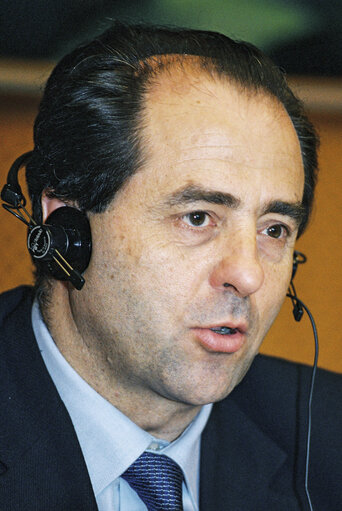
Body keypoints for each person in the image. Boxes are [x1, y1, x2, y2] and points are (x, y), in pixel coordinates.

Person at [0, 22, 341, 511]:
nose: (248, 276)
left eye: (273, 230)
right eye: (198, 217)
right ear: (65, 230)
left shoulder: (329, 438)